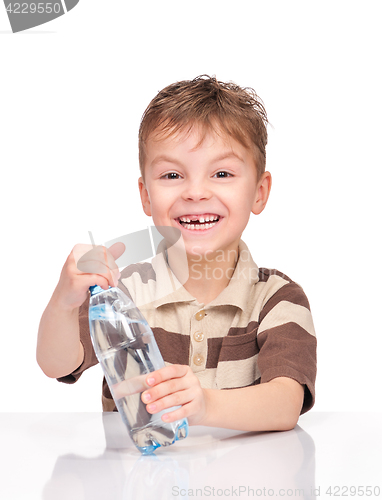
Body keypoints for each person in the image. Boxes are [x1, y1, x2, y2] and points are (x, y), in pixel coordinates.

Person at [37, 75, 317, 432]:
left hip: (242, 486)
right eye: (172, 175)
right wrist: (63, 302)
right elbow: (57, 364)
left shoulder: (277, 299)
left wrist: (205, 404)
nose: (195, 192)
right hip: (137, 484)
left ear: (259, 192)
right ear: (146, 195)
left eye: (221, 173)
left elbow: (285, 404)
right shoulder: (123, 294)